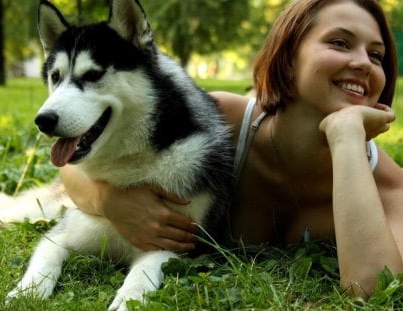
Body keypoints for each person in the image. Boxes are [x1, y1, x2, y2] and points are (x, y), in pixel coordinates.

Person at [59, 0, 403, 298]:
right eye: (341, 43)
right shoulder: (222, 120)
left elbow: (371, 288)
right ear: (288, 59)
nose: (364, 63)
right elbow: (72, 167)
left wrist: (345, 137)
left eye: (377, 55)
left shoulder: (390, 187)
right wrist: (109, 200)